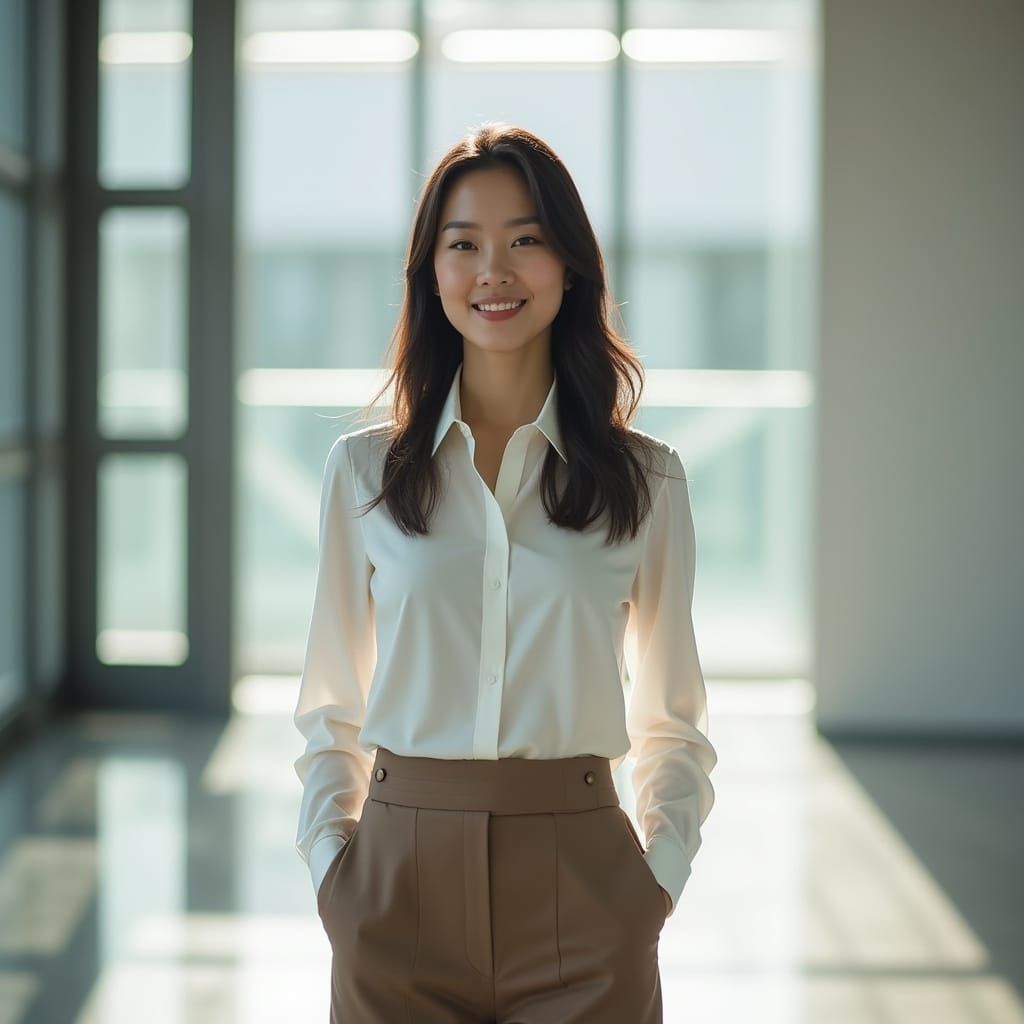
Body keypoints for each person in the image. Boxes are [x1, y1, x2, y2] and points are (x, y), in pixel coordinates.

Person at [292, 121, 718, 1023]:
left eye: (526, 239)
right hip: (392, 888)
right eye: (464, 245)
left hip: (585, 886)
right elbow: (332, 702)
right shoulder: (362, 473)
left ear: (569, 266)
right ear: (431, 273)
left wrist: (656, 883)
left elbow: (673, 717)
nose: (495, 271)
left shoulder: (646, 480)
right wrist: (334, 872)